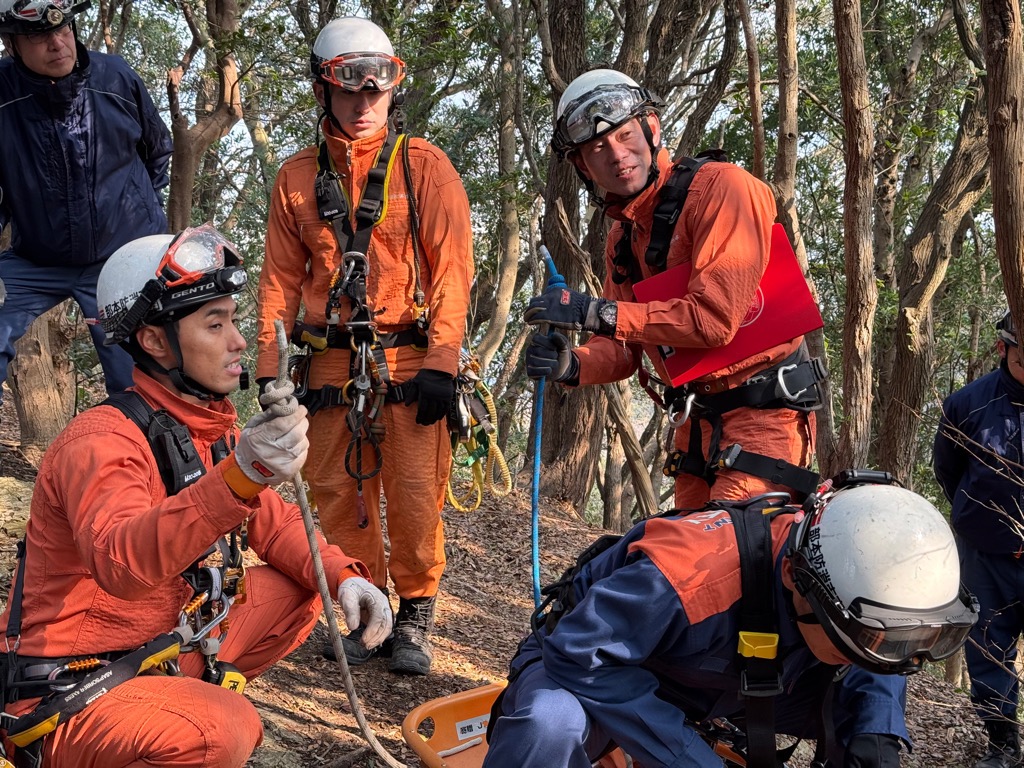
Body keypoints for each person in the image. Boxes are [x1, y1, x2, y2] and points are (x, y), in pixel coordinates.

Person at [0, 226, 392, 768]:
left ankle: (176, 709)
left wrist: (346, 576)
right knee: (221, 728)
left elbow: (276, 526)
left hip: (153, 653)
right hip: (72, 692)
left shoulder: (208, 433)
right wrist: (241, 476)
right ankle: (174, 731)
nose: (237, 341)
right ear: (156, 342)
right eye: (215, 324)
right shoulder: (101, 441)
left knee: (306, 585)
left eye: (234, 319)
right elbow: (122, 564)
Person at [256, 16, 473, 676]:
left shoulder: (424, 166)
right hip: (327, 357)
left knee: (413, 495)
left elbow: (453, 272)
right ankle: (365, 609)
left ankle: (416, 614)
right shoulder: (297, 179)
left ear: (390, 92)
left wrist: (441, 361)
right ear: (324, 90)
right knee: (334, 493)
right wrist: (270, 367)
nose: (362, 105)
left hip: (407, 355)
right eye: (349, 92)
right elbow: (278, 281)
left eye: (374, 94)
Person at [483, 481, 979, 768]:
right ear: (795, 577)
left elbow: (874, 651)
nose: (872, 659)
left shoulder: (854, 575)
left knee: (868, 733)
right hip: (601, 660)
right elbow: (577, 654)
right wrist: (689, 756)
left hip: (740, 675)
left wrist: (877, 734)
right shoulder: (685, 575)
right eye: (859, 644)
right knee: (549, 723)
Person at [524, 68, 823, 509]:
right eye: (597, 148)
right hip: (695, 425)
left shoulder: (722, 188)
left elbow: (713, 320)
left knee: (732, 555)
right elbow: (626, 348)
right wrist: (573, 364)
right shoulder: (623, 238)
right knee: (684, 555)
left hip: (764, 415)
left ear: (652, 129)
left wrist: (594, 312)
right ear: (583, 166)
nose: (616, 154)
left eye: (625, 135)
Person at [0, 0, 172, 407]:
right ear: (11, 45)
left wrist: (140, 222)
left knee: (137, 379)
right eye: (41, 36)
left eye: (64, 30)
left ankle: (146, 463)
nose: (58, 43)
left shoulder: (115, 76)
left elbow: (157, 149)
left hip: (121, 258)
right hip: (36, 259)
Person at [934, 309, 1024, 768]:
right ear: (1003, 348)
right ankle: (1003, 744)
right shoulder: (968, 404)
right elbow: (947, 471)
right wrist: (979, 518)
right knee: (989, 648)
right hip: (987, 555)